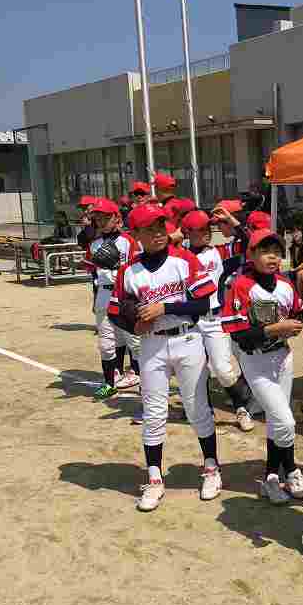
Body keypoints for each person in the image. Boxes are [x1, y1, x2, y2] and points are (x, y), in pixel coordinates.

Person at [108, 203, 220, 512]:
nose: (158, 232)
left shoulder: (183, 259)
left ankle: (211, 468)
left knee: (197, 408)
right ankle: (155, 479)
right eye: (150, 228)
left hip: (187, 339)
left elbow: (203, 303)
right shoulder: (129, 271)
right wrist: (134, 324)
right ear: (136, 234)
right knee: (154, 413)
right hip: (152, 344)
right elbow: (115, 310)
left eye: (161, 226)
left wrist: (165, 308)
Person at [222, 228, 303, 504]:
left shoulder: (285, 283)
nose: (272, 257)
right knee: (285, 420)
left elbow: (298, 313)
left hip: (282, 358)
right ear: (251, 254)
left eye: (276, 252)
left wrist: (295, 323)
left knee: (276, 421)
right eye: (265, 251)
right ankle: (292, 468)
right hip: (256, 361)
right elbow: (239, 335)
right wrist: (275, 328)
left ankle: (273, 476)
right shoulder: (241, 285)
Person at [181, 209, 256, 432]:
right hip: (189, 321)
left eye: (208, 228)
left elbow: (251, 244)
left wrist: (233, 222)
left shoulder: (220, 252)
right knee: (196, 370)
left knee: (223, 370)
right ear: (187, 232)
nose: (206, 232)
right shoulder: (178, 256)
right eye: (199, 229)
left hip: (215, 319)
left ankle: (241, 408)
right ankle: (203, 409)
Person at [86, 198, 141, 399]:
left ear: (116, 218)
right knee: (106, 342)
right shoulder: (94, 244)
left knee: (134, 341)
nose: (101, 221)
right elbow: (93, 273)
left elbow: (138, 269)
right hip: (103, 293)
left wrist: (118, 269)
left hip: (124, 294)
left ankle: (143, 379)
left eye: (105, 217)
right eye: (98, 218)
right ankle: (109, 383)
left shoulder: (128, 241)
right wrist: (96, 299)